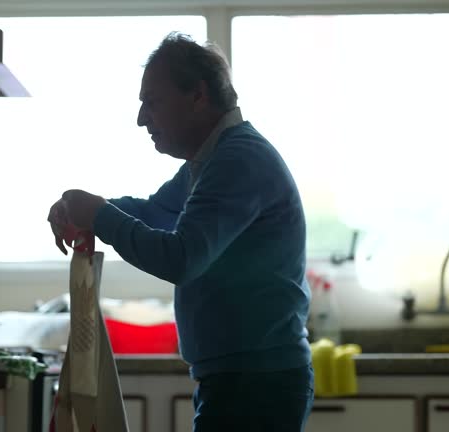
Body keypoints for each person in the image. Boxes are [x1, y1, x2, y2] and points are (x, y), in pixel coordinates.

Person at [48, 32, 313, 431]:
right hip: (244, 379)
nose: (141, 118)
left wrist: (98, 215)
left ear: (198, 95)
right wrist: (86, 210)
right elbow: (156, 211)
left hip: (256, 384)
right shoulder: (212, 161)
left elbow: (181, 257)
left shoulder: (237, 160)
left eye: (151, 102)